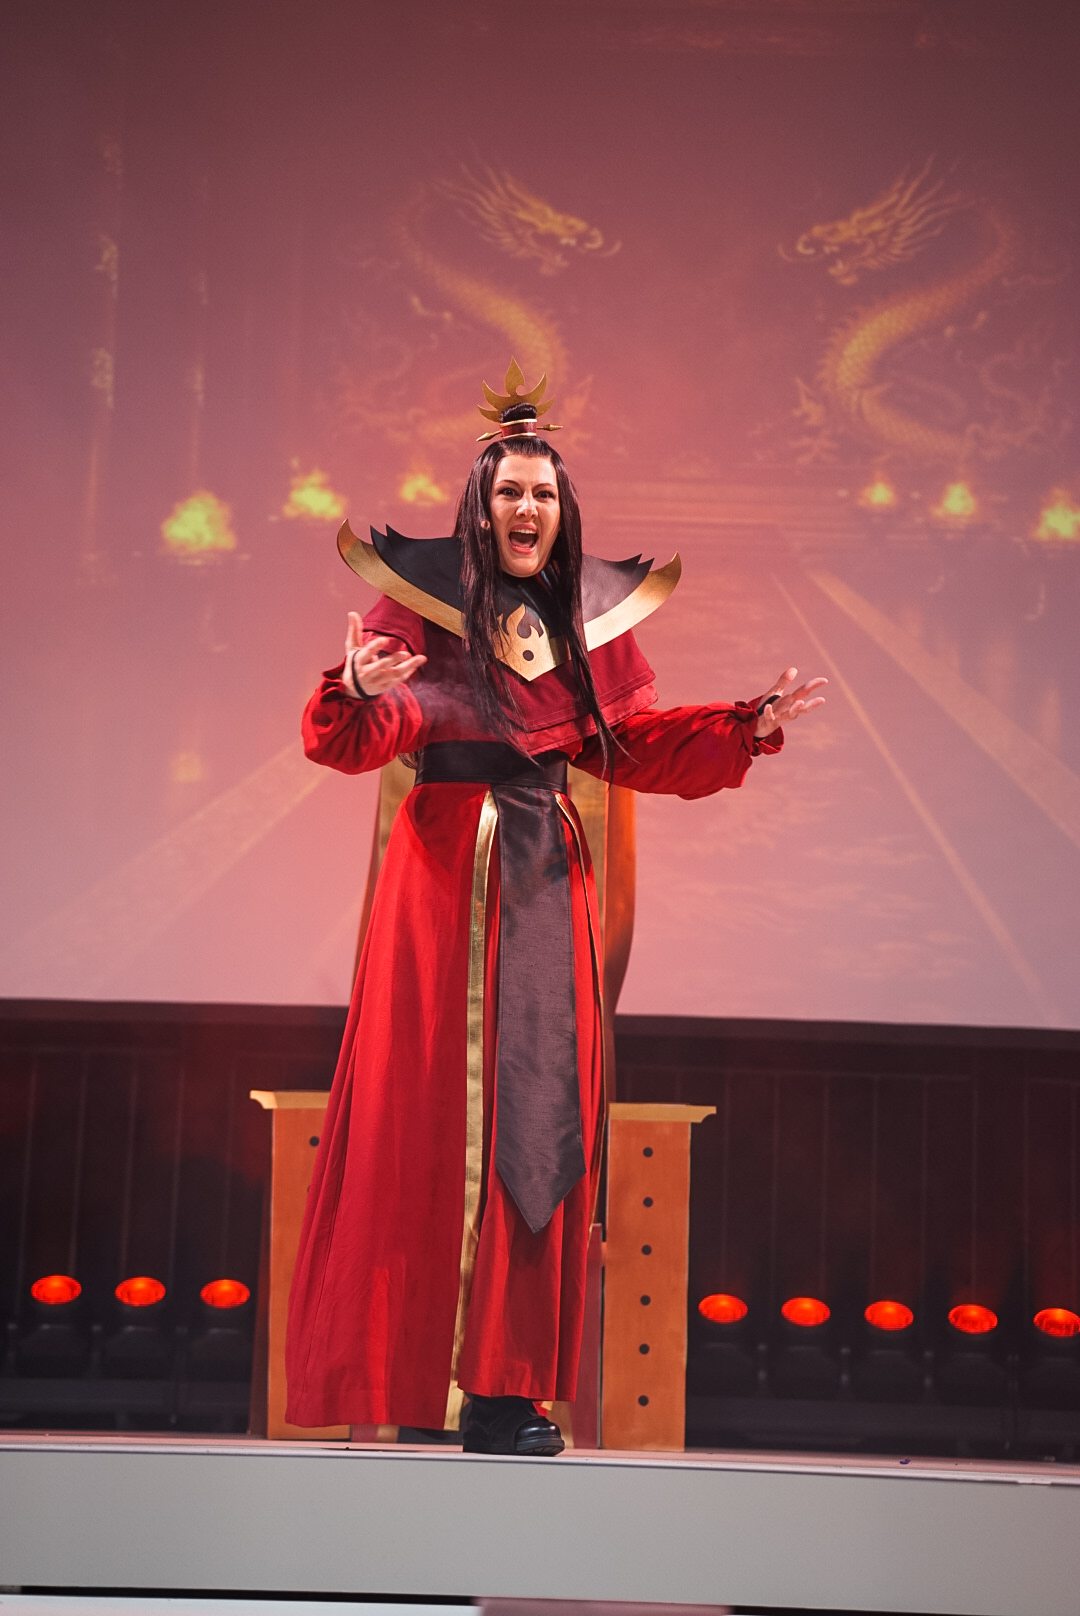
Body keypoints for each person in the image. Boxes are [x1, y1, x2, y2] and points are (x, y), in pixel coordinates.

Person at [285, 361, 826, 1455]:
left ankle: (504, 1389)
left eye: (542, 493)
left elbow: (630, 744)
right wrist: (355, 690)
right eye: (508, 492)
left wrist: (744, 725)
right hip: (444, 886)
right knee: (428, 1119)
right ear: (479, 508)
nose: (525, 508)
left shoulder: (589, 619)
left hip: (544, 880)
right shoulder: (421, 611)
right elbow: (363, 737)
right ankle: (414, 1379)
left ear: (562, 511)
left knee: (536, 1126)